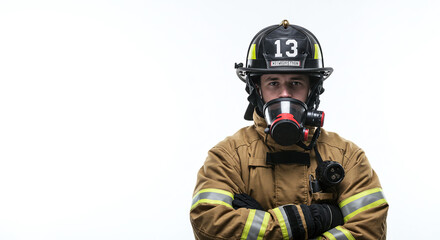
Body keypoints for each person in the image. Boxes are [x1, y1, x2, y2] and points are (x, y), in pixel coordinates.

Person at [190, 20, 388, 240]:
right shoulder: (228, 156)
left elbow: (369, 231)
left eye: (295, 83)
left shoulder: (347, 156)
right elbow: (209, 224)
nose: (284, 94)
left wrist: (258, 223)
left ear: (312, 90)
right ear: (257, 89)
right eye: (273, 83)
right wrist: (307, 220)